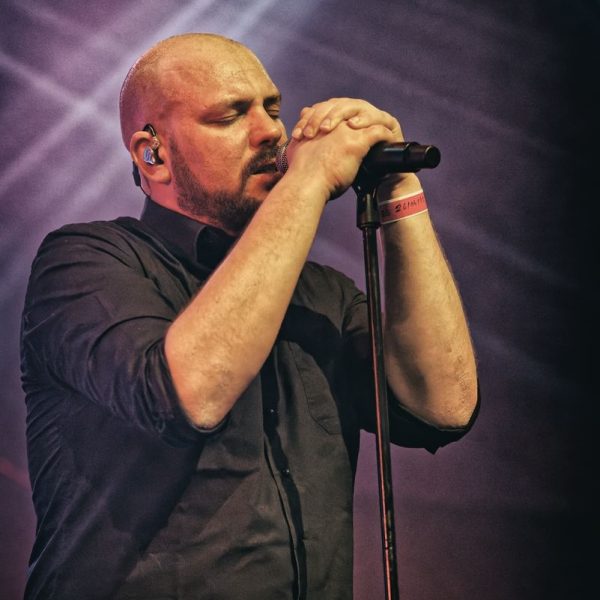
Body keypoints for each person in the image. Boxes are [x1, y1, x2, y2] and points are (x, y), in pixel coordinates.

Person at [20, 33, 479, 600]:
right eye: (230, 115)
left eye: (273, 108)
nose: (271, 132)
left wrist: (399, 191)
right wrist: (309, 179)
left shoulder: (323, 294)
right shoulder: (85, 261)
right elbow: (190, 396)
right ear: (152, 154)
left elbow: (443, 407)